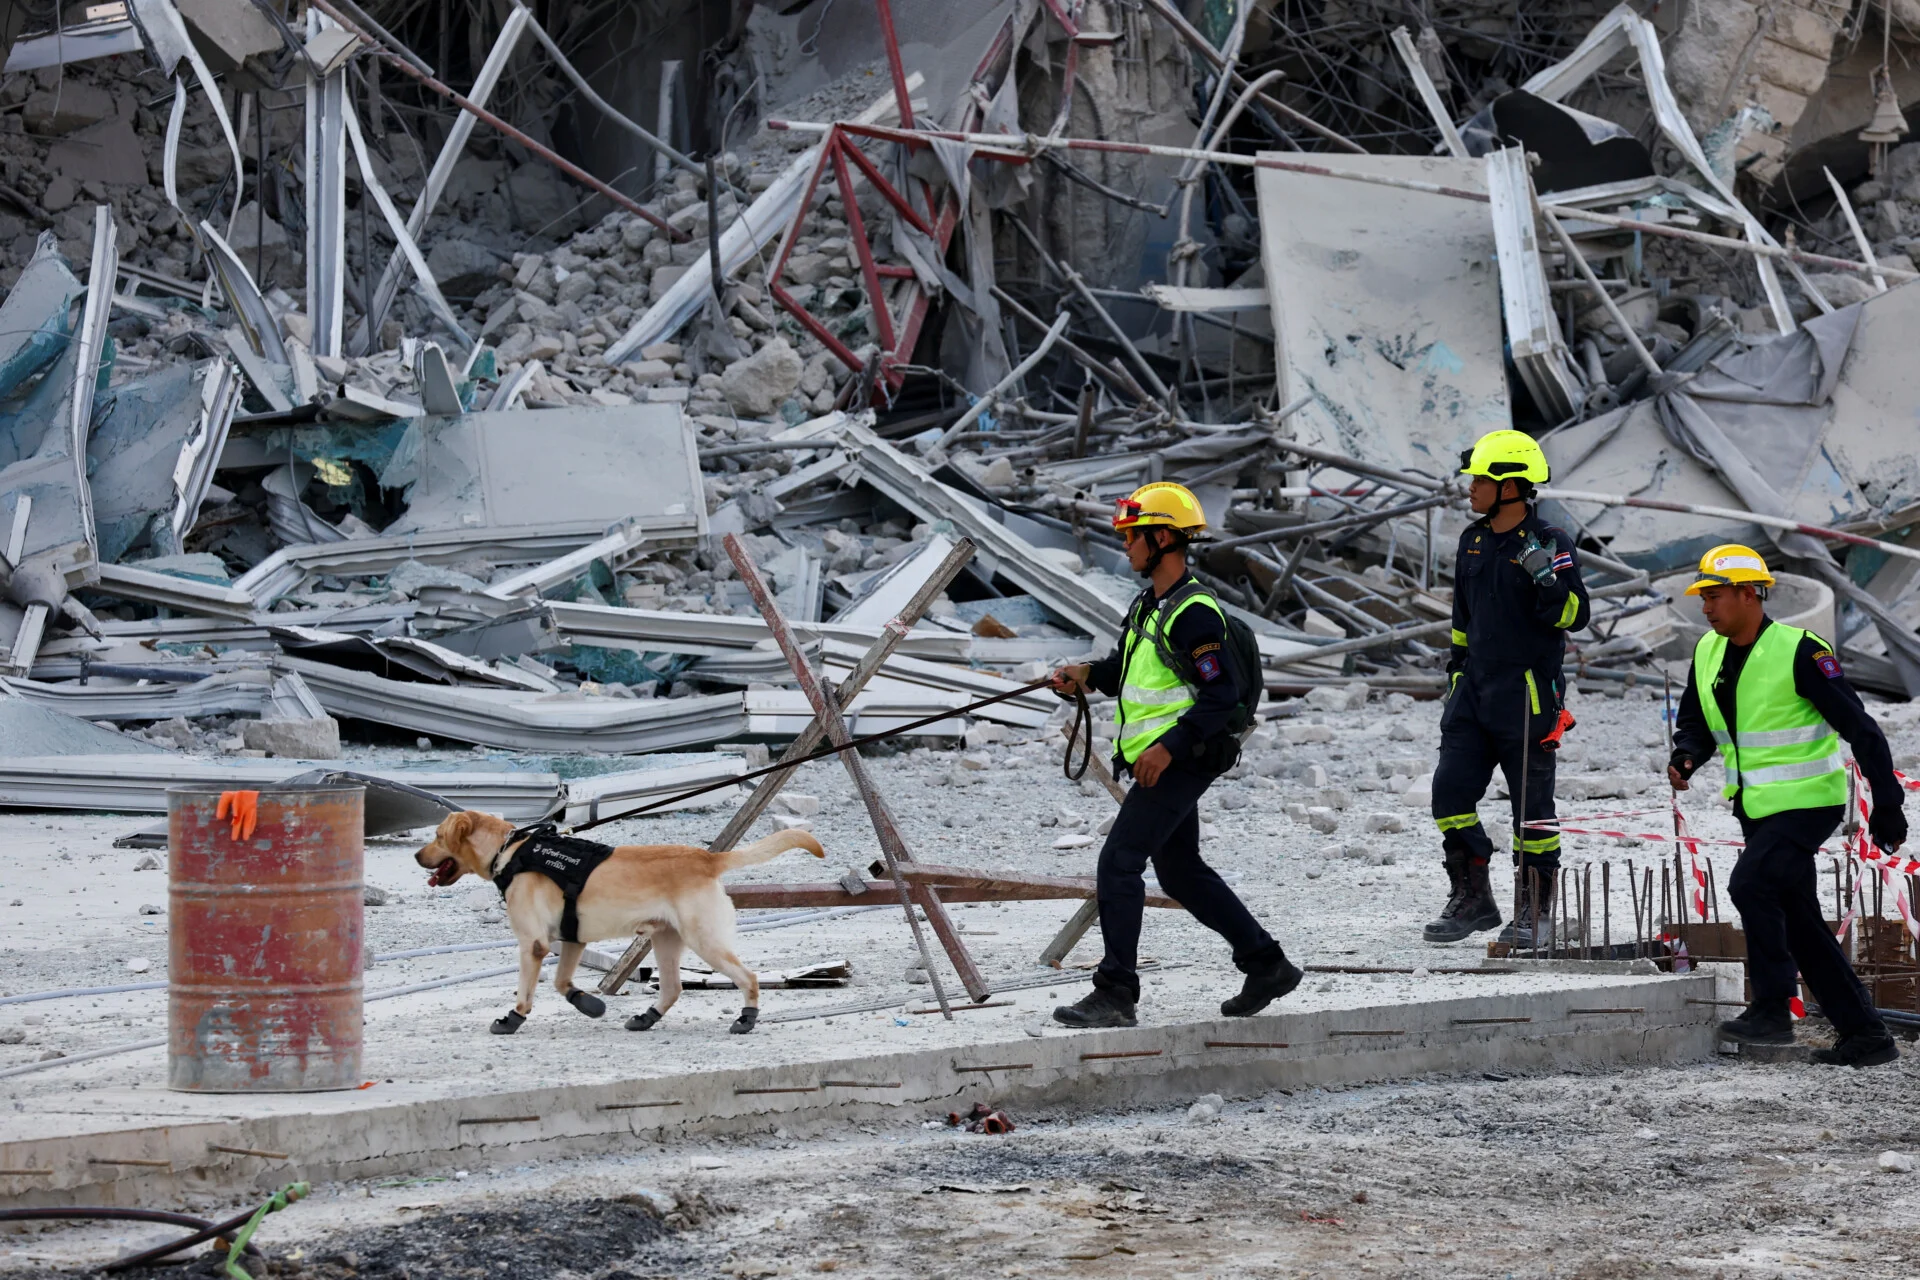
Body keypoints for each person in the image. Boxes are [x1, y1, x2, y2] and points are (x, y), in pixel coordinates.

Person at [1048, 482, 1299, 1029]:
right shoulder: (1150, 606)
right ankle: (1267, 964)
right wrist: (1083, 676)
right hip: (1165, 757)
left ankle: (1116, 991)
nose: (1127, 546)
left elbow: (1221, 696)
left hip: (1183, 758)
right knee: (1180, 870)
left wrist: (1167, 748)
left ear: (1163, 538)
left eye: (1133, 537)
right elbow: (1124, 671)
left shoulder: (1194, 614)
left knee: (1119, 862)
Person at [1667, 544, 1904, 1068]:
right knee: (1800, 922)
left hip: (1807, 803)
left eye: (1715, 595)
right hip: (1754, 806)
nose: (1706, 607)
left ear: (1750, 594)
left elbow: (1861, 729)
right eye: (1703, 596)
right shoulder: (1708, 651)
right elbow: (1699, 722)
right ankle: (1866, 1036)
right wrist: (1686, 756)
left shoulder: (1800, 650)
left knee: (1750, 883)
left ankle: (1773, 1008)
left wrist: (1888, 803)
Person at [1424, 430, 1591, 948]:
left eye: (1481, 478)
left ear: (1511, 486)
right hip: (1473, 693)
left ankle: (1532, 913)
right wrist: (1456, 677)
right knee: (1449, 795)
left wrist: (1546, 579)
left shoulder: (1551, 543)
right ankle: (1474, 900)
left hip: (1528, 697)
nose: (1472, 487)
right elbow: (1461, 620)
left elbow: (1575, 616)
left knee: (1532, 812)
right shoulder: (1471, 540)